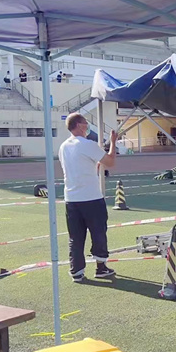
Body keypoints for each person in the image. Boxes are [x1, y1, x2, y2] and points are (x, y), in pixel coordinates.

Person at [58, 113, 117, 283]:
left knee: (75, 237)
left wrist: (95, 163)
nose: (87, 125)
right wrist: (113, 142)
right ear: (79, 125)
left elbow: (83, 166)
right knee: (98, 233)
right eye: (85, 122)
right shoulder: (87, 144)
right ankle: (101, 267)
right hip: (91, 197)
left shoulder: (64, 146)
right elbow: (110, 162)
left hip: (71, 198)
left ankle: (76, 271)